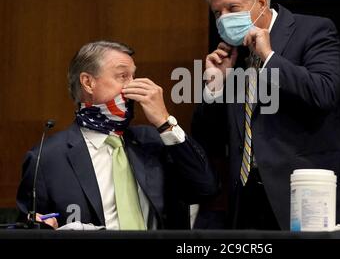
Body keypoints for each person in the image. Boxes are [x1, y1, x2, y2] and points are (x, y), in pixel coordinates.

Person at [192, 0, 340, 230]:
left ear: (260, 2)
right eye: (217, 12)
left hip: (305, 193)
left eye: (232, 8)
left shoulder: (313, 30)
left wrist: (269, 58)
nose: (223, 19)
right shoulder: (230, 54)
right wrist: (215, 85)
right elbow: (209, 137)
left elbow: (323, 93)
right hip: (246, 200)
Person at [16, 41, 218, 230]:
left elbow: (205, 188)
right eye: (122, 76)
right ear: (88, 82)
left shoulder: (154, 140)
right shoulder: (47, 157)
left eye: (133, 76)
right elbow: (29, 228)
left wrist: (165, 122)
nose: (132, 86)